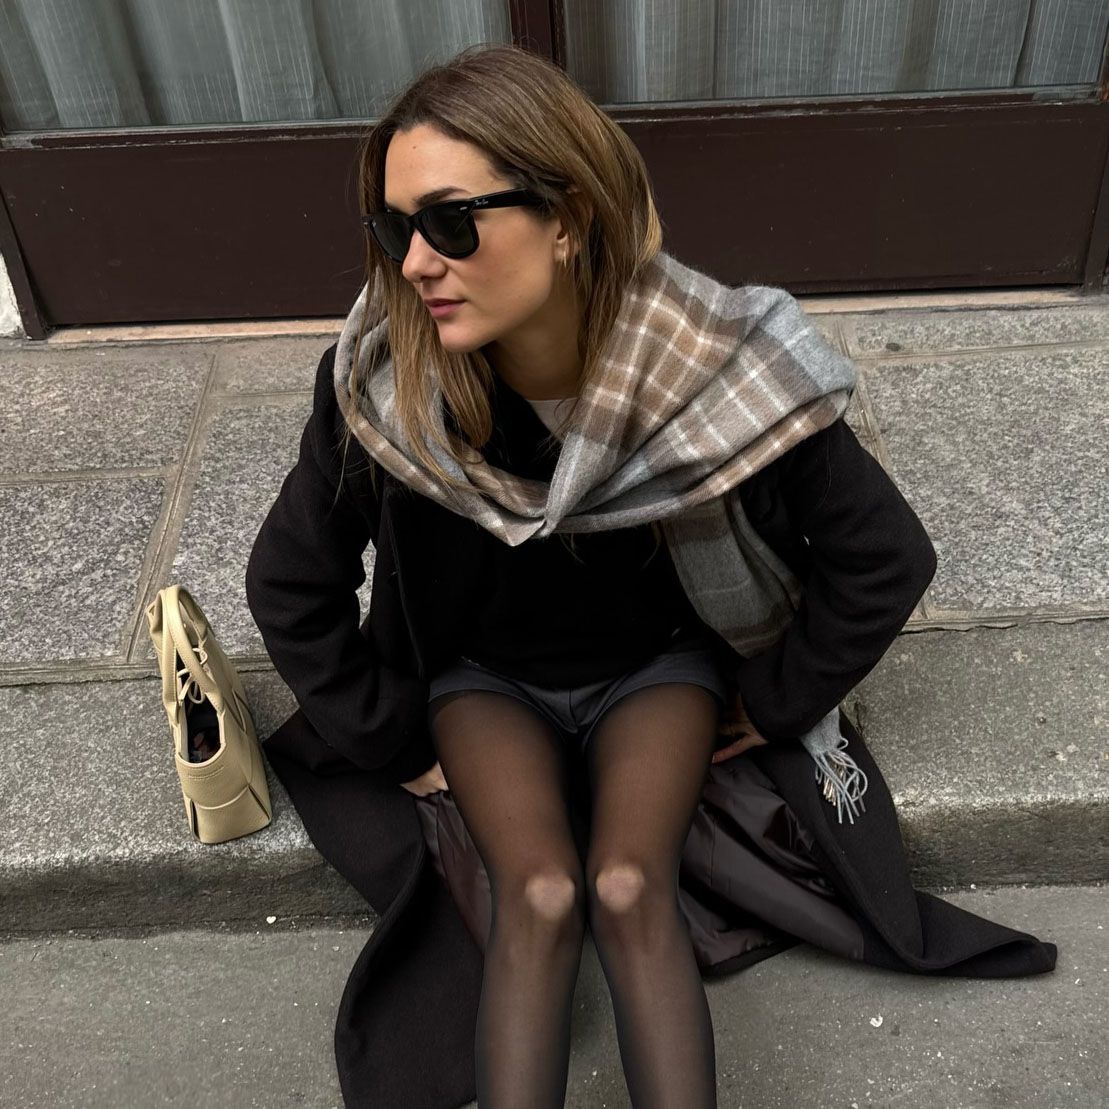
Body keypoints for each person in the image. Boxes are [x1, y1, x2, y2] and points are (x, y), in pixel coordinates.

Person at [245, 41, 1056, 1109]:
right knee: (535, 890)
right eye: (392, 228)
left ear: (568, 216)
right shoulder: (386, 378)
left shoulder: (716, 371)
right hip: (482, 681)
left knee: (630, 884)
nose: (414, 264)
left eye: (449, 221)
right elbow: (289, 579)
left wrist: (774, 699)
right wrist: (387, 733)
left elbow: (884, 556)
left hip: (654, 675)